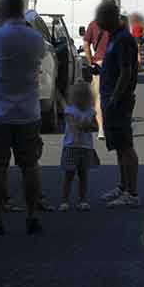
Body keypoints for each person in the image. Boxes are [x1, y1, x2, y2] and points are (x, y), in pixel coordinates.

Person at [0, 0, 46, 235]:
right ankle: (32, 216)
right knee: (30, 166)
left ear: (2, 11)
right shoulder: (36, 39)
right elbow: (39, 58)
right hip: (28, 113)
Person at [95, 1, 141, 208]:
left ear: (111, 17)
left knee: (125, 146)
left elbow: (126, 72)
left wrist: (114, 97)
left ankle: (131, 192)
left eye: (101, 16)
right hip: (112, 100)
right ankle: (123, 187)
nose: (98, 20)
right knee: (119, 147)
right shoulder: (114, 37)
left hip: (118, 101)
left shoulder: (123, 39)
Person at [58, 83, 100, 212]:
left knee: (83, 175)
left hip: (85, 147)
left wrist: (88, 126)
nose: (81, 99)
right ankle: (65, 200)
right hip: (72, 146)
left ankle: (82, 200)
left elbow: (95, 127)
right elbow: (72, 125)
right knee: (69, 174)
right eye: (78, 96)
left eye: (84, 96)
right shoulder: (70, 110)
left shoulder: (91, 111)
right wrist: (80, 129)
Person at [83, 0, 115, 140]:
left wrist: (91, 62)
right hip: (115, 64)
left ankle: (102, 129)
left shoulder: (94, 24)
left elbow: (86, 44)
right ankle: (109, 127)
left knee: (99, 98)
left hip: (100, 63)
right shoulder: (118, 24)